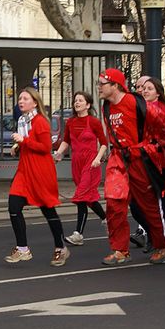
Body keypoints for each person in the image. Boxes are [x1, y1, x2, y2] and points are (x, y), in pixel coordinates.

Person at [98, 68, 165, 266]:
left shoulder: (137, 103)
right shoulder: (106, 106)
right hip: (118, 159)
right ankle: (120, 250)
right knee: (114, 203)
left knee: (149, 206)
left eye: (102, 83)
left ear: (115, 86)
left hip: (140, 159)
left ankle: (162, 244)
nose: (99, 87)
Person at [3, 87, 70, 266]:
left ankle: (60, 248)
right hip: (24, 171)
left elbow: (45, 147)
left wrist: (23, 141)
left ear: (35, 102)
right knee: (13, 206)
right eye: (20, 98)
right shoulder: (23, 120)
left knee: (48, 209)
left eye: (25, 98)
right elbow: (27, 142)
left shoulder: (40, 121)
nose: (21, 101)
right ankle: (23, 248)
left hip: (40, 171)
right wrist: (17, 147)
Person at [134, 76, 165, 257]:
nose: (145, 91)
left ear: (158, 92)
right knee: (137, 205)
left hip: (164, 164)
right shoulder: (139, 110)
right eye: (143, 88)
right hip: (145, 162)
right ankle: (155, 237)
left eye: (149, 88)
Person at [54, 91, 108, 245]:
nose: (77, 103)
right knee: (88, 197)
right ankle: (106, 219)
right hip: (76, 163)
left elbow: (104, 143)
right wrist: (57, 155)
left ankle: (78, 234)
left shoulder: (94, 122)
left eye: (80, 100)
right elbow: (66, 142)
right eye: (75, 101)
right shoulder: (70, 122)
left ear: (88, 105)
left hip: (91, 163)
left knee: (81, 197)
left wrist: (98, 158)